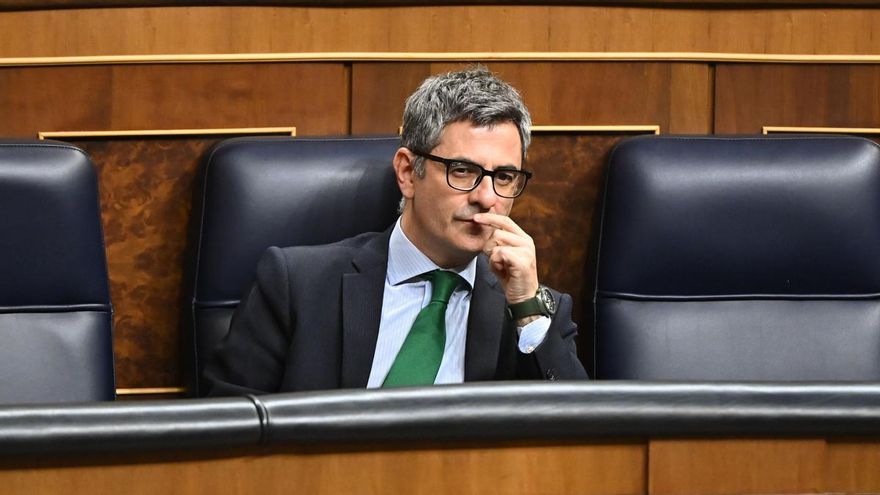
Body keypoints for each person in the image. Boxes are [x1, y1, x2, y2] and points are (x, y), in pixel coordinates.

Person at [203, 66, 588, 396]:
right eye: (463, 171)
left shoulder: (533, 312)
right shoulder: (295, 285)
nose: (487, 198)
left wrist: (527, 310)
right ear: (408, 173)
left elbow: (581, 440)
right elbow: (226, 434)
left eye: (504, 177)